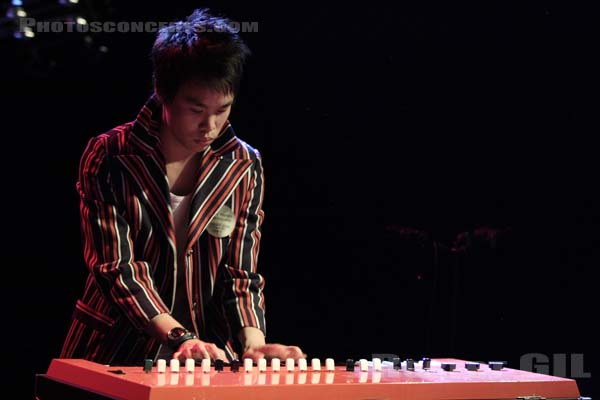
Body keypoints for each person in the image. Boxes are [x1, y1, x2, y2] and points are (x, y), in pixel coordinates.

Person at [59, 8, 304, 366]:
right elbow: (116, 267)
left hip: (206, 357)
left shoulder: (242, 164)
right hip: (116, 349)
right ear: (162, 94)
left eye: (223, 109)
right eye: (195, 109)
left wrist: (253, 340)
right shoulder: (112, 154)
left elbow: (240, 272)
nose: (211, 125)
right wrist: (179, 336)